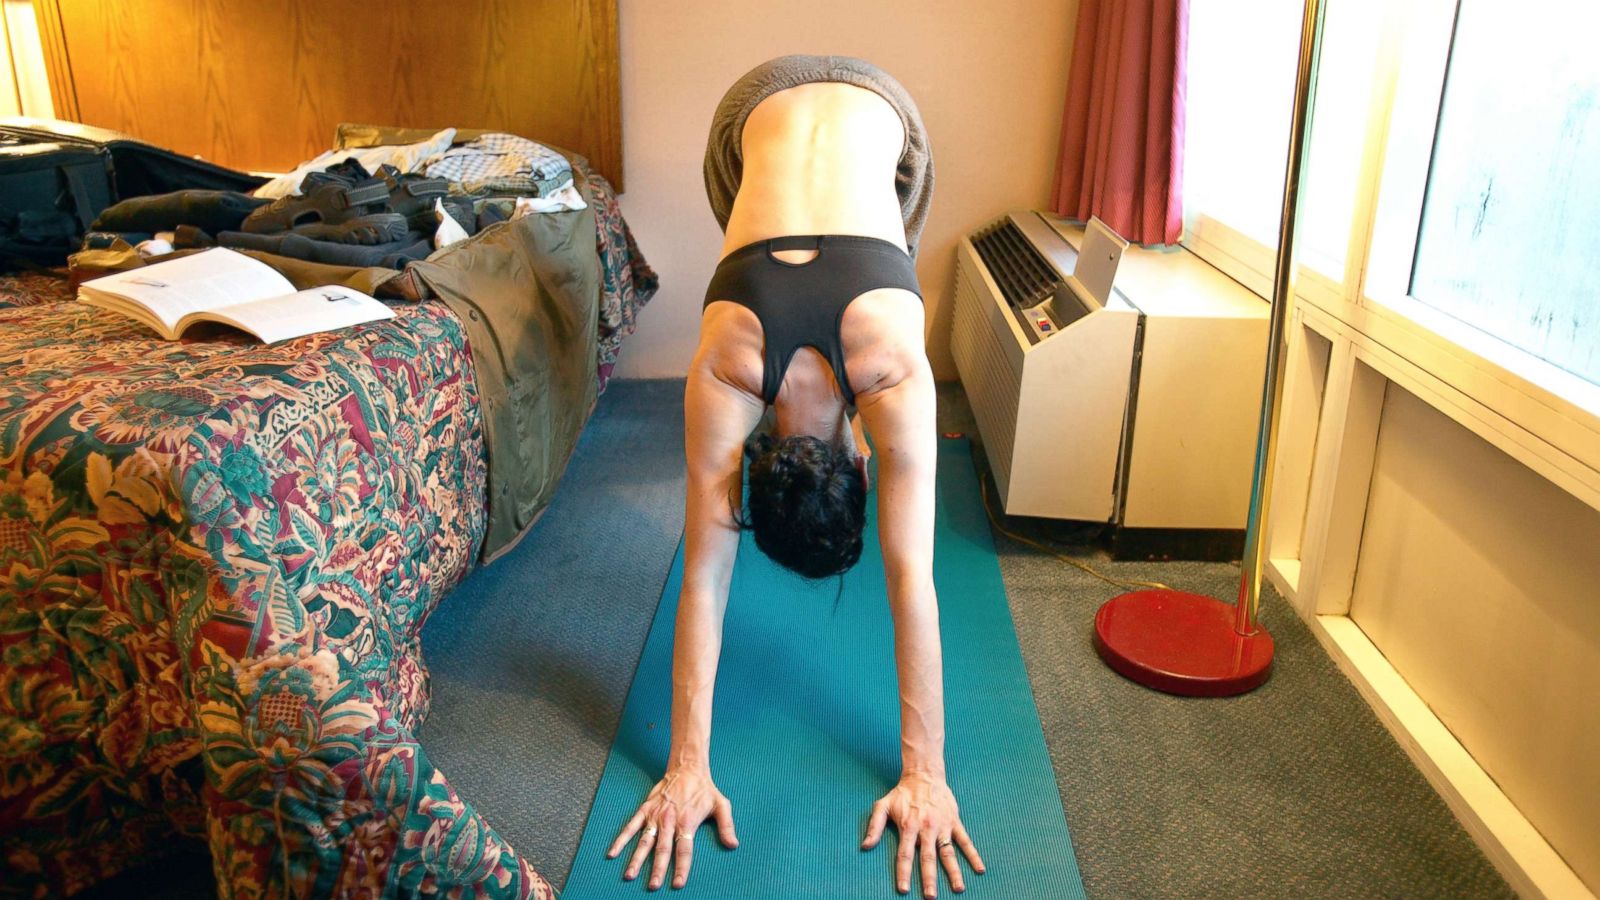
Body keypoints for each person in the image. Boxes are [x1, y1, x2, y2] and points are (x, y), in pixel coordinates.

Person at [607, 56, 984, 899]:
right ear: (757, 471)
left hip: (882, 103)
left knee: (890, 227)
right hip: (753, 112)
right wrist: (685, 767)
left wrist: (689, 771)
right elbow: (704, 577)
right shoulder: (727, 368)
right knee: (758, 211)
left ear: (861, 461)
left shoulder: (890, 370)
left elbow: (906, 580)